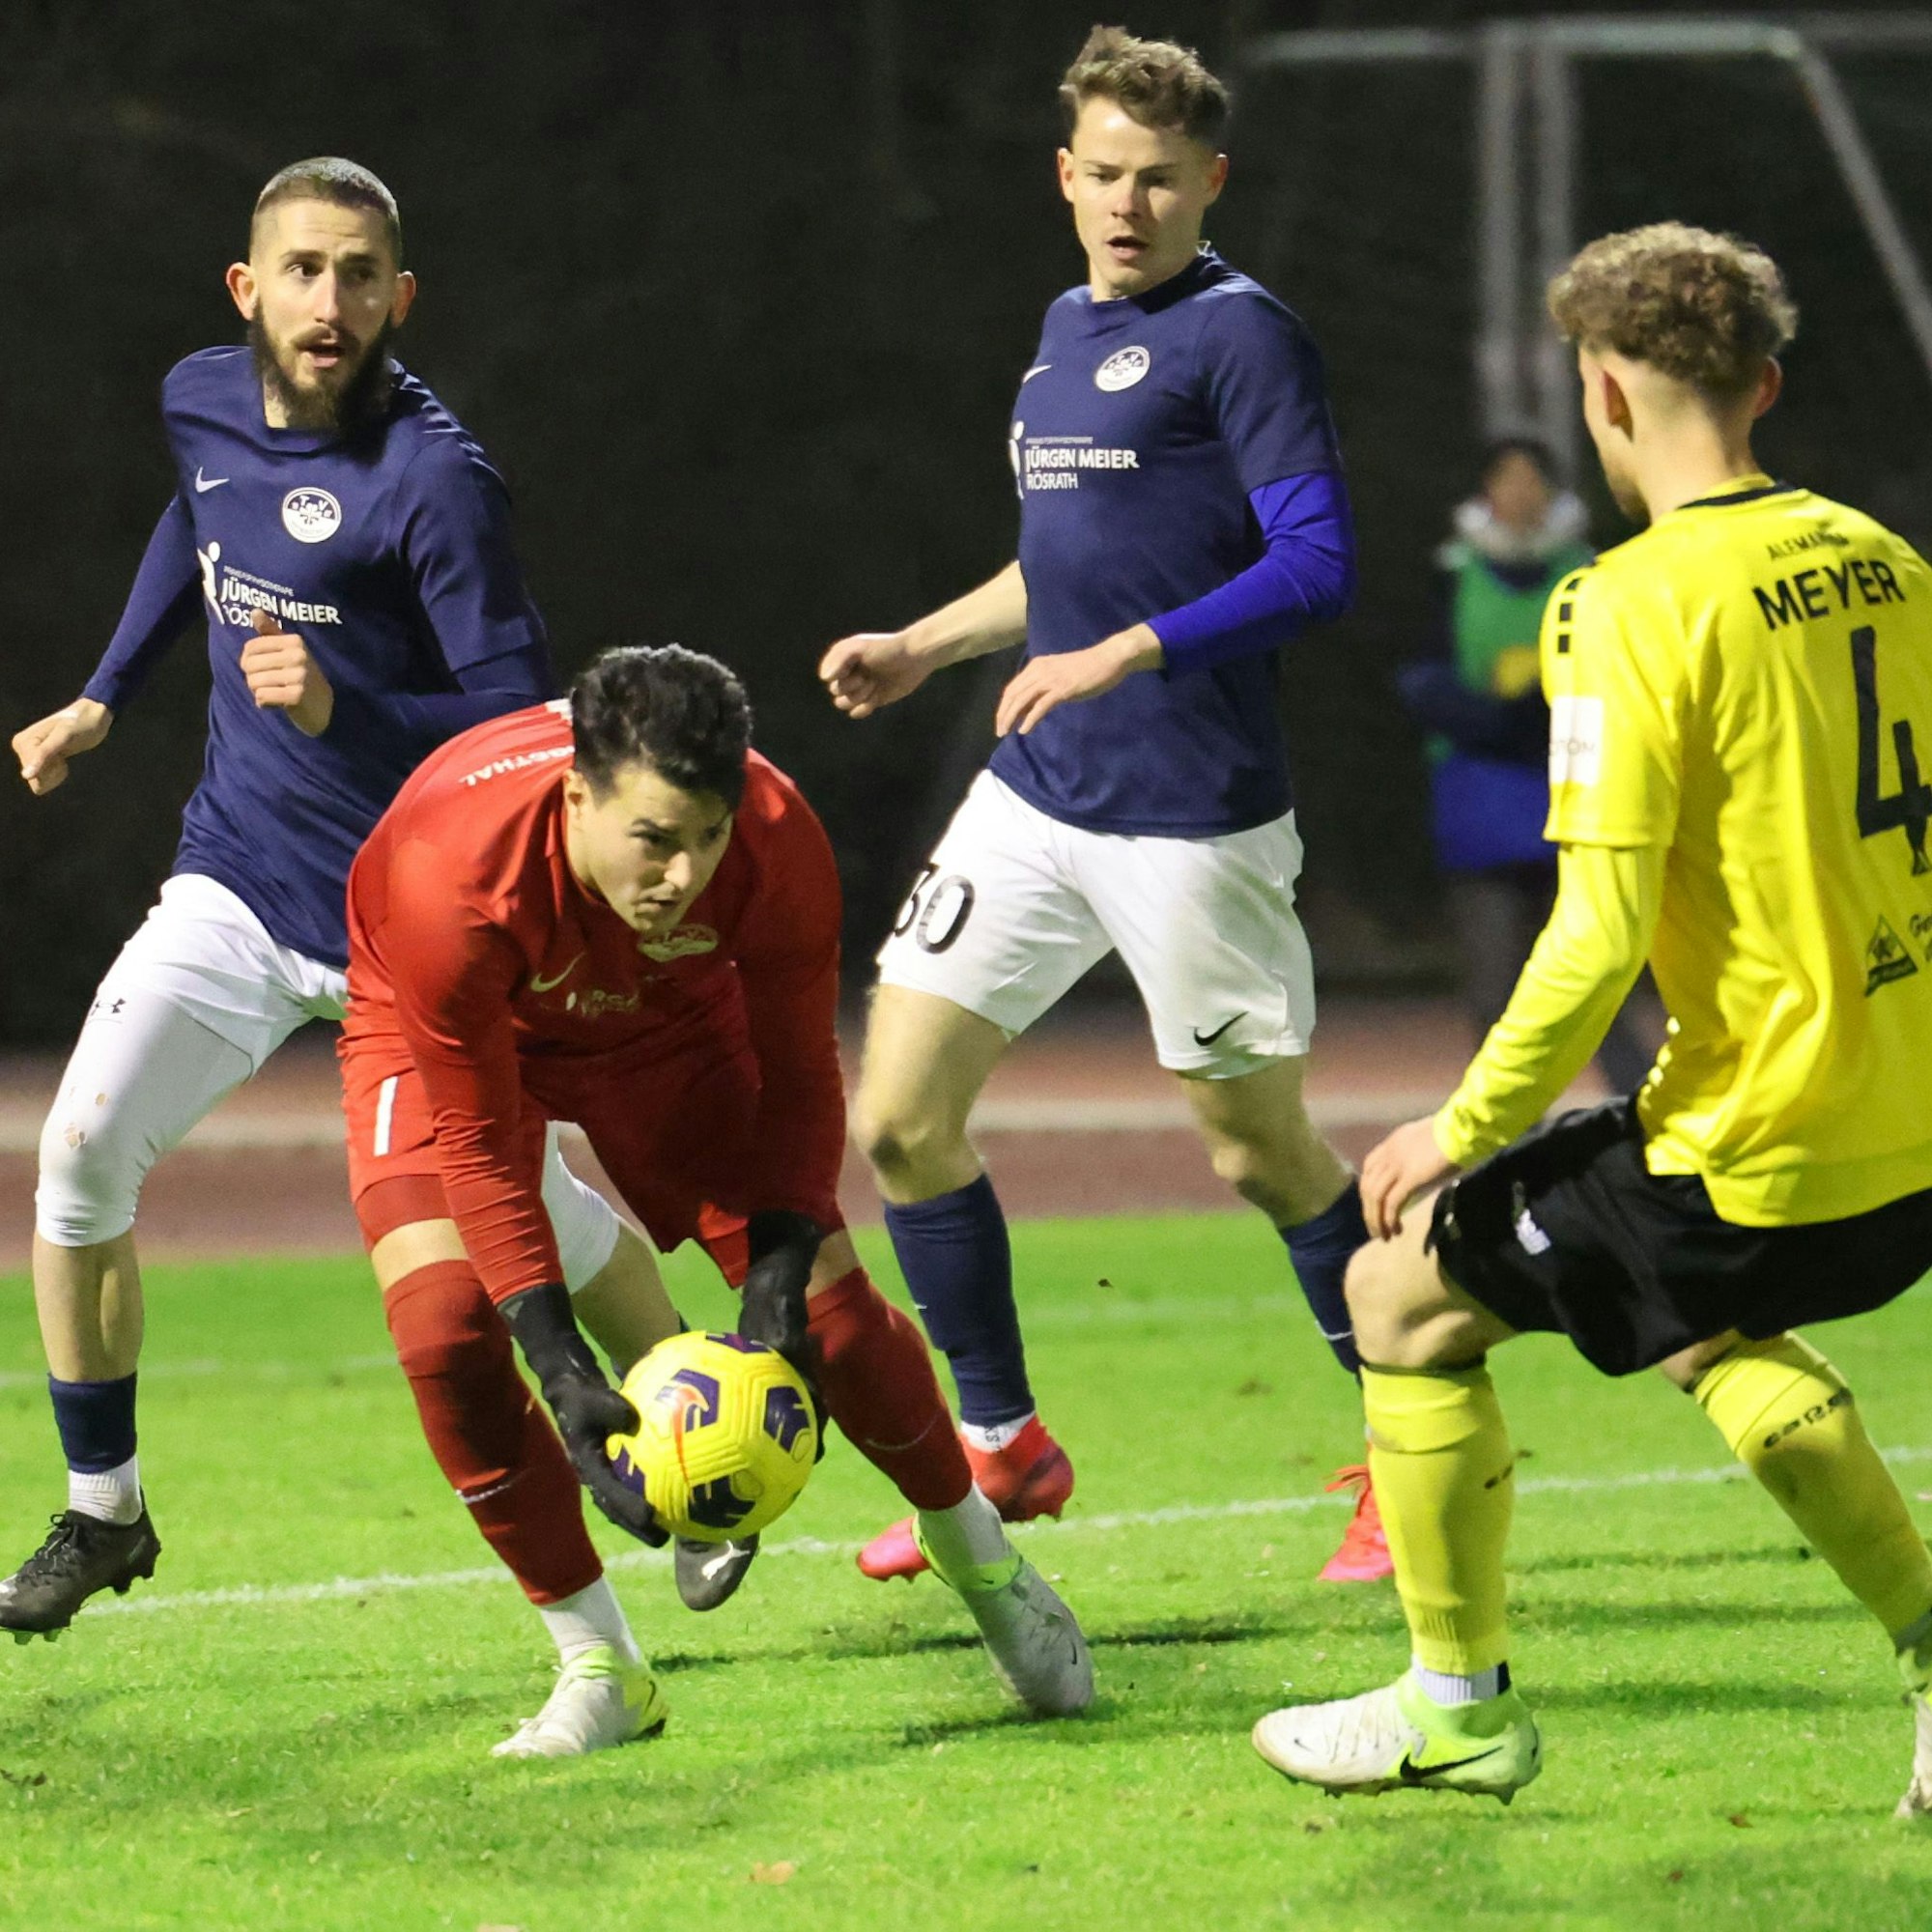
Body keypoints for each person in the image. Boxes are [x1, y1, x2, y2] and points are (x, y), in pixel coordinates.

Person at [1252, 223, 1932, 1816]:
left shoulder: (1621, 603)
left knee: (1392, 1291)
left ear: (1605, 394)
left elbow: (1597, 935)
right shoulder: (1892, 561)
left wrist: (1459, 1126)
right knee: (1702, 1325)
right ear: (1762, 385)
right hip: (1903, 1125)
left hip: (1759, 1135)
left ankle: (1455, 1707)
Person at [0, 157, 651, 1640]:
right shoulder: (202, 400)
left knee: (525, 1208)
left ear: (400, 298)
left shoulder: (436, 479)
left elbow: (515, 714)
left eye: (361, 275)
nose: (329, 301)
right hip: (237, 882)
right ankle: (106, 1514)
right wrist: (108, 693)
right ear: (247, 290)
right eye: (302, 269)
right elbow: (202, 523)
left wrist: (342, 704)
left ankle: (686, 1426)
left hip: (403, 918)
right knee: (83, 1153)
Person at [820, 26, 1387, 1586]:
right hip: (1045, 793)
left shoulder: (1244, 337)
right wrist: (925, 644)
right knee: (898, 1118)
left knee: (1256, 1151)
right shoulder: (1064, 329)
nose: (1128, 204)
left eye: (1159, 179)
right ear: (1064, 178)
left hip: (1192, 812)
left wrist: (1130, 649)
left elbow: (1316, 567)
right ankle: (1001, 1444)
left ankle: (1411, 1451)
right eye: (1104, 175)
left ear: (1210, 182)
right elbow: (1063, 569)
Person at [340, 646, 1094, 1757]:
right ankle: (599, 1665)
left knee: (834, 1318)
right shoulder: (447, 878)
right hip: (447, 1029)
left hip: (662, 1026)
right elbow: (485, 1147)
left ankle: (981, 1558)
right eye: (652, 838)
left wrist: (781, 1271)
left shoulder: (778, 838)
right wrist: (560, 1364)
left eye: (707, 835)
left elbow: (799, 1076)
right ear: (577, 795)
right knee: (445, 1329)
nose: (684, 872)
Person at [1398, 440, 1661, 1095]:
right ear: (1483, 492)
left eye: (1531, 480)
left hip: (1578, 794)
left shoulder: (1592, 572)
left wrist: (1542, 712)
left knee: (1600, 970)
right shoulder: (1450, 575)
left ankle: (1642, 1113)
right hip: (1482, 800)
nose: (1519, 493)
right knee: (1493, 984)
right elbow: (1420, 677)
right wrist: (1496, 719)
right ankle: (1496, 1126)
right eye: (1504, 479)